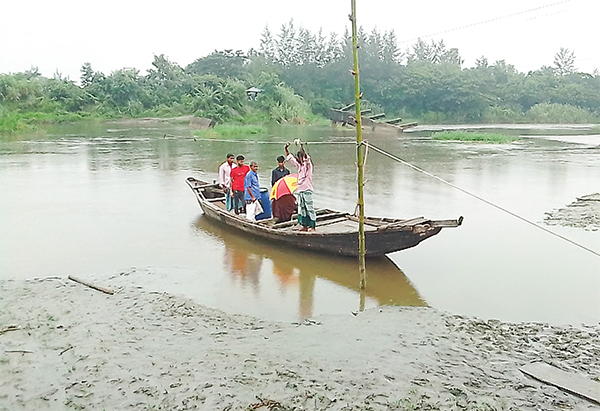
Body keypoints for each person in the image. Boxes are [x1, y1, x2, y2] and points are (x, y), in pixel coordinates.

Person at [285, 142, 316, 232]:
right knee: (302, 208)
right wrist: (286, 148)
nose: (298, 159)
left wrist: (301, 147)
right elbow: (290, 158)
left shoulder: (308, 166)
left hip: (307, 190)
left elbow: (306, 158)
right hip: (301, 190)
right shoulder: (300, 166)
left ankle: (313, 227)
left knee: (309, 208)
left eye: (300, 158)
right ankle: (304, 226)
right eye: (298, 158)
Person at [271, 156, 295, 223]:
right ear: (278, 163)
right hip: (278, 191)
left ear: (284, 163)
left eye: (282, 162)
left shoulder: (287, 171)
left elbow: (289, 181)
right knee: (278, 207)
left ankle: (287, 218)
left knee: (288, 205)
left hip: (285, 191)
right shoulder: (274, 172)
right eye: (279, 162)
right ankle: (279, 219)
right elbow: (273, 183)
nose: (281, 164)